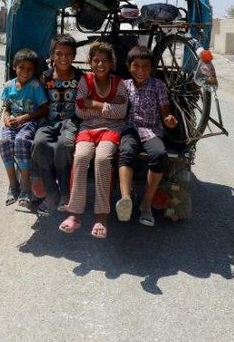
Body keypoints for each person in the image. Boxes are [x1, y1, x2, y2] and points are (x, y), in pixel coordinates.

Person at [59, 41, 127, 238]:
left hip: (111, 129)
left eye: (104, 61)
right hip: (87, 128)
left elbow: (121, 112)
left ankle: (101, 216)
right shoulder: (85, 80)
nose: (100, 64)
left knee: (102, 160)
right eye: (95, 60)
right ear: (90, 62)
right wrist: (107, 106)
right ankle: (75, 214)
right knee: (80, 158)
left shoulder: (118, 83)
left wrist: (93, 104)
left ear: (111, 63)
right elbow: (80, 110)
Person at [116, 46, 178, 226]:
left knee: (159, 155)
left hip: (152, 130)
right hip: (130, 129)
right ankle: (125, 199)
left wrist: (169, 120)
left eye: (145, 66)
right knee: (126, 151)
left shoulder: (158, 85)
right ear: (129, 67)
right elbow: (117, 108)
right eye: (136, 65)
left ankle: (146, 204)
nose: (140, 70)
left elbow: (165, 112)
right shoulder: (124, 85)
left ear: (151, 68)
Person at [30, 34, 83, 216]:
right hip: (48, 122)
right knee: (39, 144)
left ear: (74, 55)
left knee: (63, 146)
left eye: (68, 54)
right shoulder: (44, 77)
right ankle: (52, 193)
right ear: (52, 55)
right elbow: (37, 101)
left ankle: (65, 194)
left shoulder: (80, 77)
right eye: (59, 54)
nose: (63, 58)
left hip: (70, 123)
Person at [0, 48, 49, 208]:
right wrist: (6, 118)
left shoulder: (35, 86)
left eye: (29, 69)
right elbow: (6, 107)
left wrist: (24, 117)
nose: (25, 72)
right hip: (12, 122)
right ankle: (13, 184)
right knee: (4, 141)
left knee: (21, 141)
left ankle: (26, 185)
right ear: (14, 67)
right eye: (21, 68)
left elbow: (44, 108)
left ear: (34, 71)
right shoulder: (9, 86)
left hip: (29, 121)